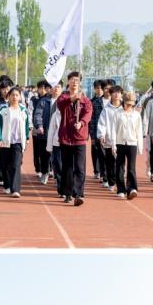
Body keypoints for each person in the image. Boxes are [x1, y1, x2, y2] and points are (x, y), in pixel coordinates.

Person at [56, 72, 92, 205]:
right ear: (68, 82)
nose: (75, 82)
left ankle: (78, 194)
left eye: (77, 80)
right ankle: (67, 193)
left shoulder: (85, 100)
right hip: (66, 137)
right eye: (72, 80)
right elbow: (61, 105)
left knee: (80, 167)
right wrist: (72, 98)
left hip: (79, 138)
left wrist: (81, 123)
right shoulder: (63, 97)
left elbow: (88, 114)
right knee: (67, 167)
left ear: (80, 82)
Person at [0, 86, 31, 198]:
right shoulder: (3, 110)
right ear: (9, 96)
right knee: (5, 165)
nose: (14, 97)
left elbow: (26, 125)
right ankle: (7, 185)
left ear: (20, 97)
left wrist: (27, 137)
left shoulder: (23, 110)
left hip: (18, 142)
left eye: (17, 95)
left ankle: (15, 189)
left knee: (16, 165)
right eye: (12, 95)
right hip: (5, 141)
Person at [110, 91, 143, 200]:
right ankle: (121, 189)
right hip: (120, 143)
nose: (129, 106)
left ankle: (132, 188)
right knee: (119, 167)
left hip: (132, 143)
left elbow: (139, 131)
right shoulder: (117, 113)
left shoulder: (136, 115)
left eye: (131, 104)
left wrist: (140, 146)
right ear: (123, 102)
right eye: (127, 103)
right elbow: (113, 130)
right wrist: (113, 144)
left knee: (131, 167)